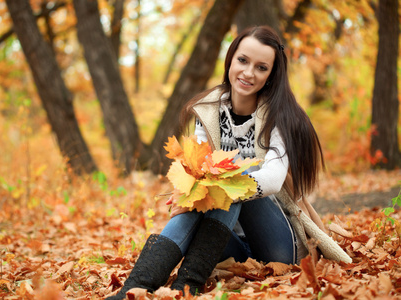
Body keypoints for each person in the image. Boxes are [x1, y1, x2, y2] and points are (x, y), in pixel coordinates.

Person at [106, 25, 351, 300]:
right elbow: (198, 170)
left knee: (226, 184)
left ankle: (186, 284)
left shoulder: (278, 116)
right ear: (231, 59)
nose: (248, 73)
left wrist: (222, 182)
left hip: (277, 246)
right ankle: (138, 289)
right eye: (243, 60)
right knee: (206, 188)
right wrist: (190, 192)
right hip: (225, 244)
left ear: (271, 75)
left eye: (261, 67)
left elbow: (273, 177)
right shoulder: (209, 111)